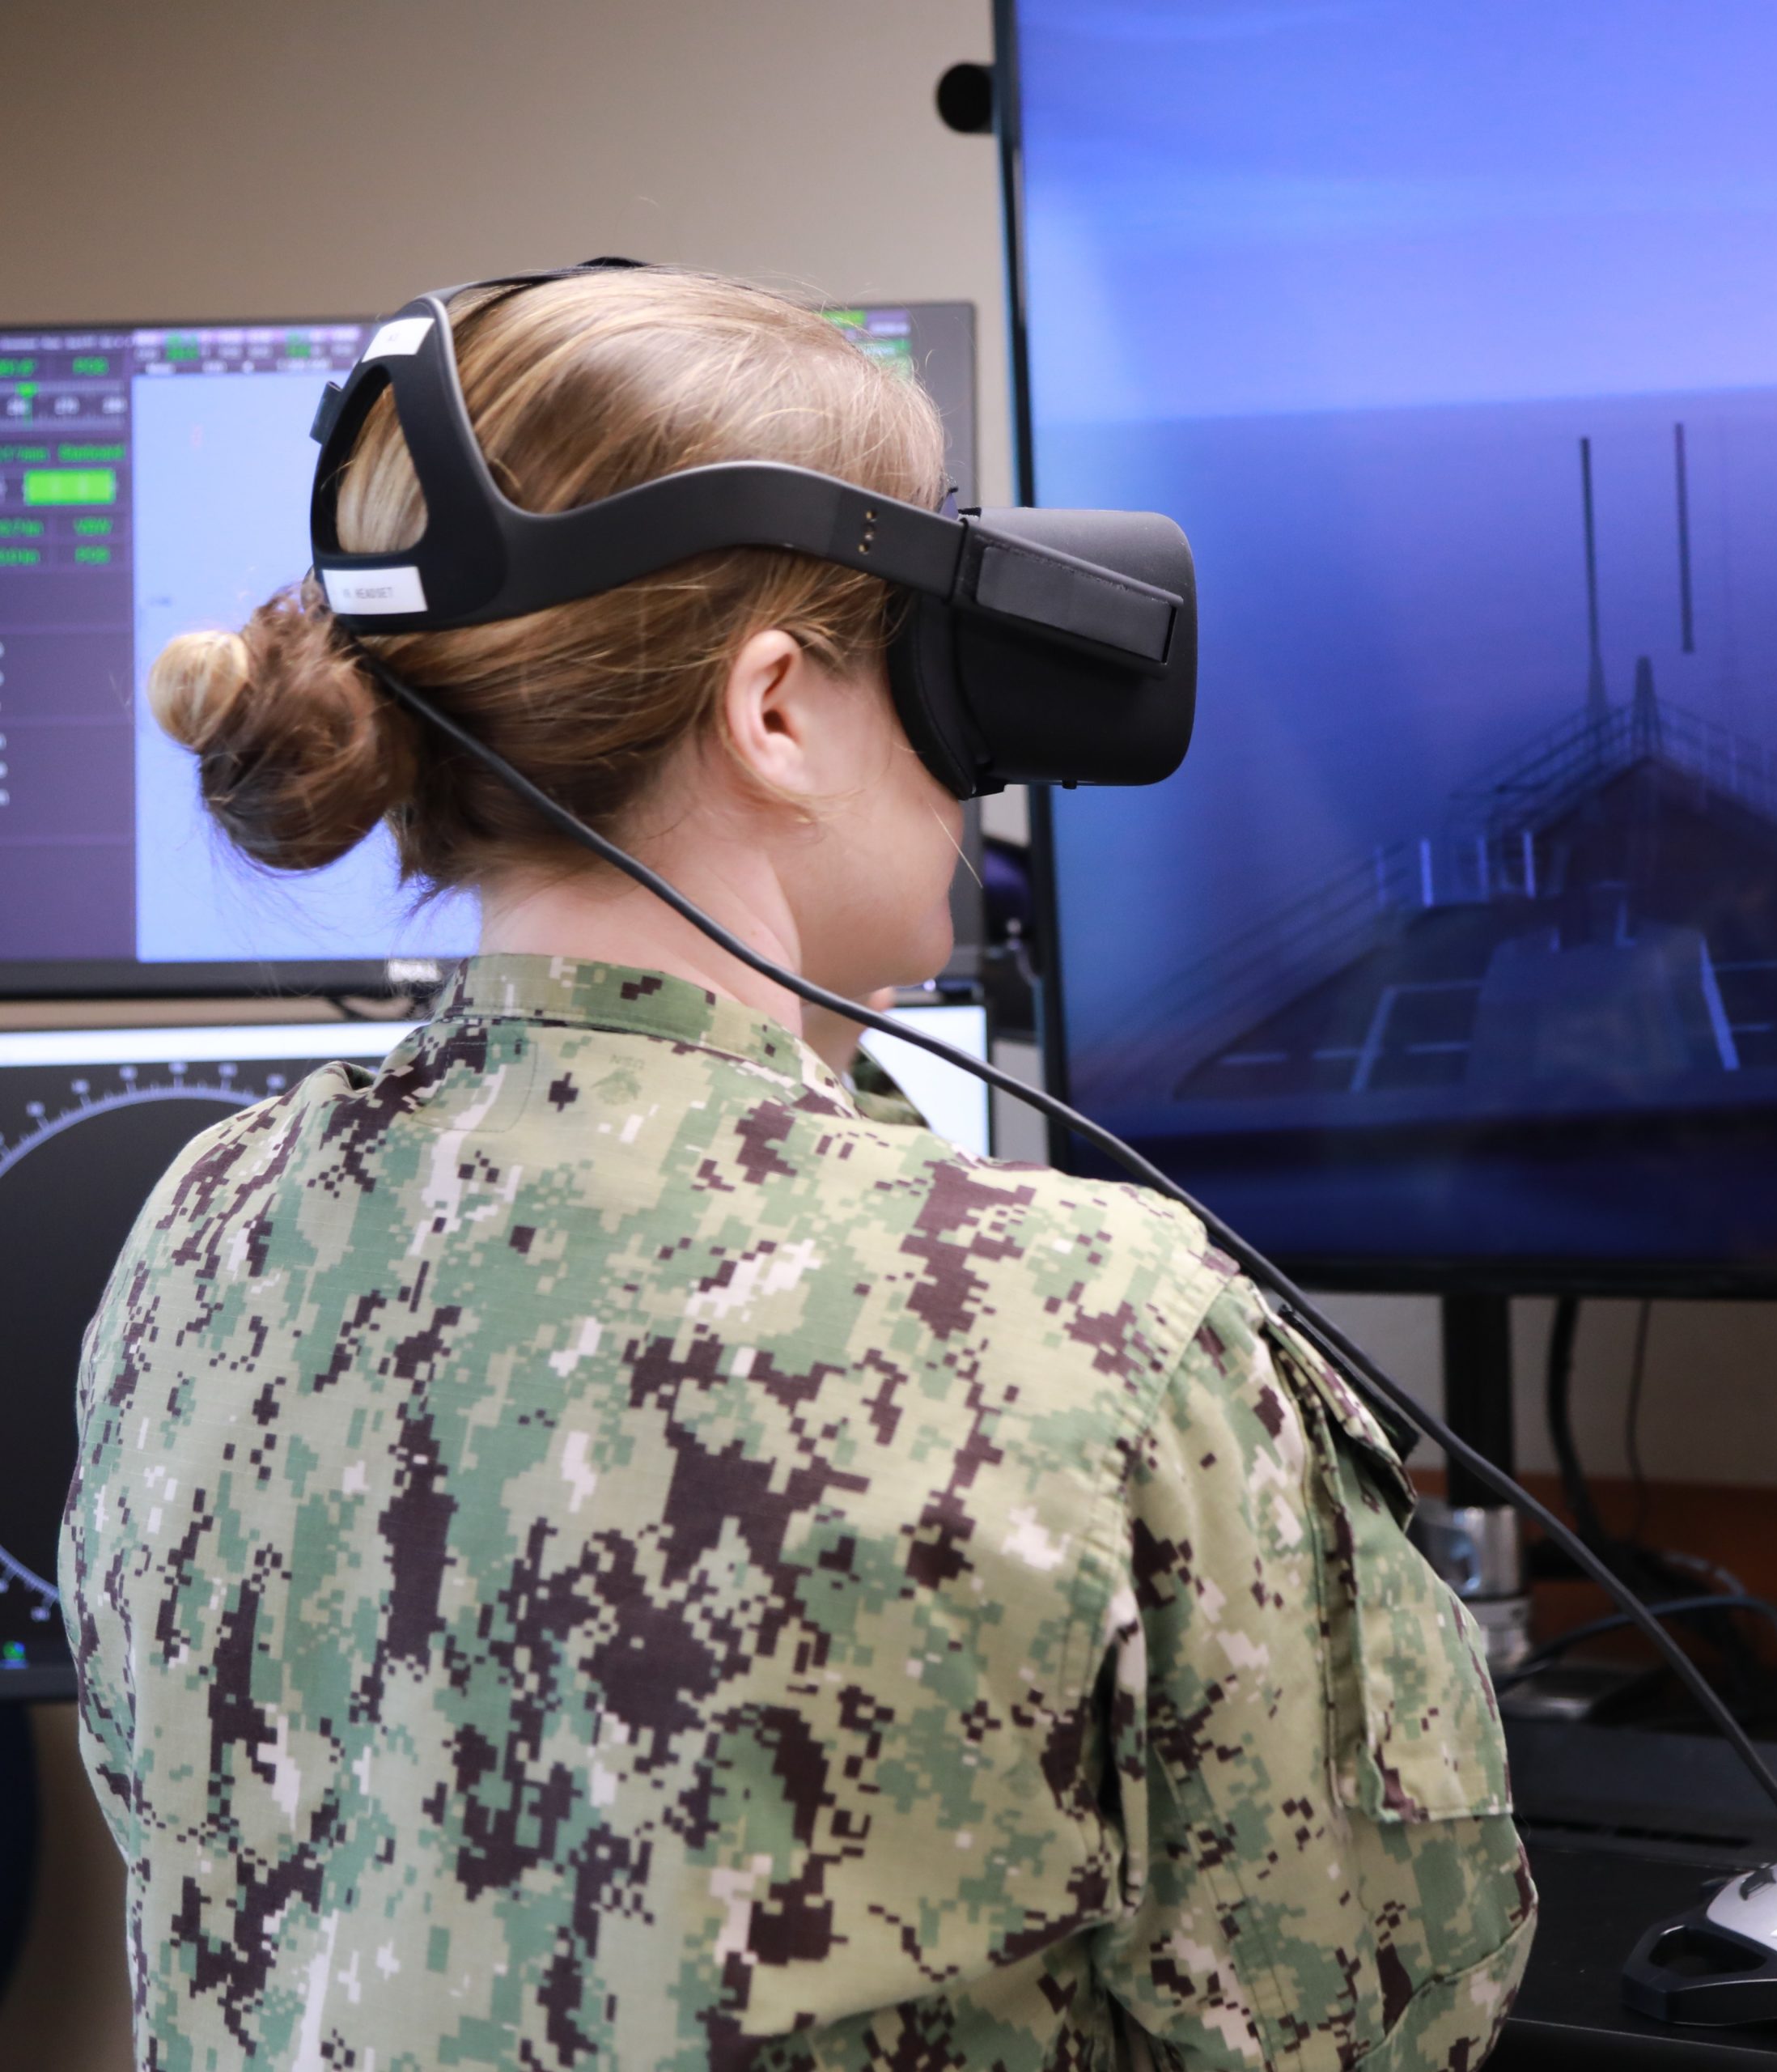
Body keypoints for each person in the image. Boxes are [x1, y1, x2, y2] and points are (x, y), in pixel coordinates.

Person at [62, 267, 1533, 2071]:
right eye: (924, 654)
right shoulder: (1098, 1330)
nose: (968, 757)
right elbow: (1383, 2001)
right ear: (774, 710)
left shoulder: (194, 1234)